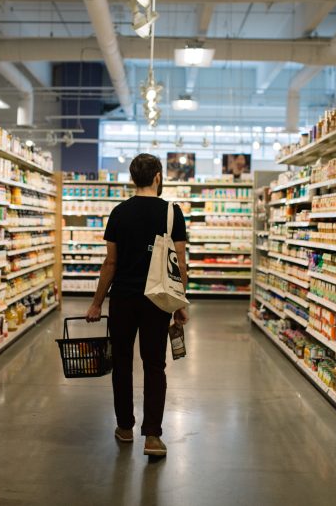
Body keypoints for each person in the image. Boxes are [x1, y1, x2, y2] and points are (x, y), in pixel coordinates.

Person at [85, 153, 188, 457]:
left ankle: (125, 426)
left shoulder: (119, 213)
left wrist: (96, 303)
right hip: (158, 300)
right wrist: (180, 303)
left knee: (122, 362)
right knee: (155, 364)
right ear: (158, 176)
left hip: (124, 299)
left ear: (132, 178)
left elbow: (111, 262)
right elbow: (180, 264)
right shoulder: (173, 212)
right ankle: (153, 436)